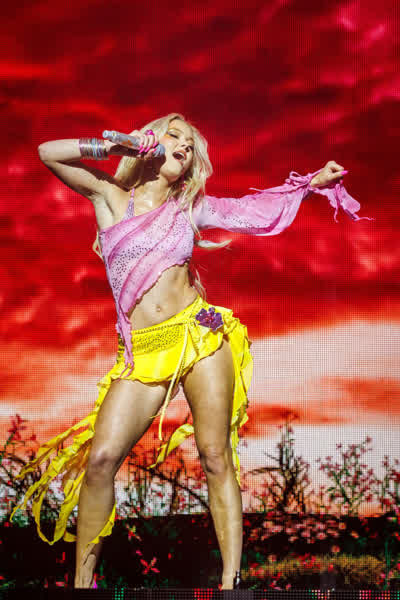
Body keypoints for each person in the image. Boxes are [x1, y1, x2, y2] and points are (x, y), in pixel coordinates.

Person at [11, 113, 369, 589]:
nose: (183, 146)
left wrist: (309, 185)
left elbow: (249, 210)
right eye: (174, 136)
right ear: (151, 141)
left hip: (198, 336)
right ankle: (83, 586)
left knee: (215, 454)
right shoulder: (110, 198)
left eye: (190, 145)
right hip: (144, 352)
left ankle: (231, 585)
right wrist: (117, 147)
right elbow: (48, 153)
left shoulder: (188, 209)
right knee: (101, 461)